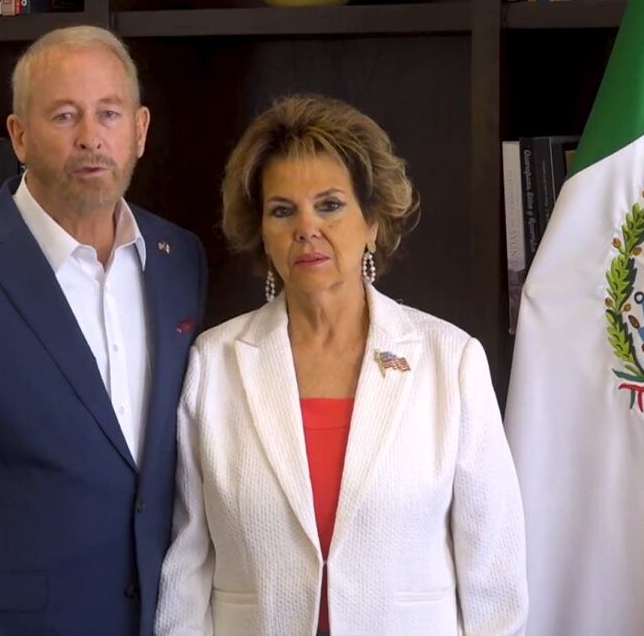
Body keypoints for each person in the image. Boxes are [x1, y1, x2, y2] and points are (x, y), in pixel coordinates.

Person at [0, 25, 207, 635]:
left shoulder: (180, 259)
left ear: (140, 131)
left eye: (109, 113)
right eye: (63, 116)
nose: (90, 138)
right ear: (19, 137)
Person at [155, 95, 527, 636]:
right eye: (283, 210)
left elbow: (495, 576)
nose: (307, 228)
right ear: (262, 230)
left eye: (330, 205)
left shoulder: (450, 361)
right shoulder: (214, 364)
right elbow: (186, 569)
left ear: (373, 221)